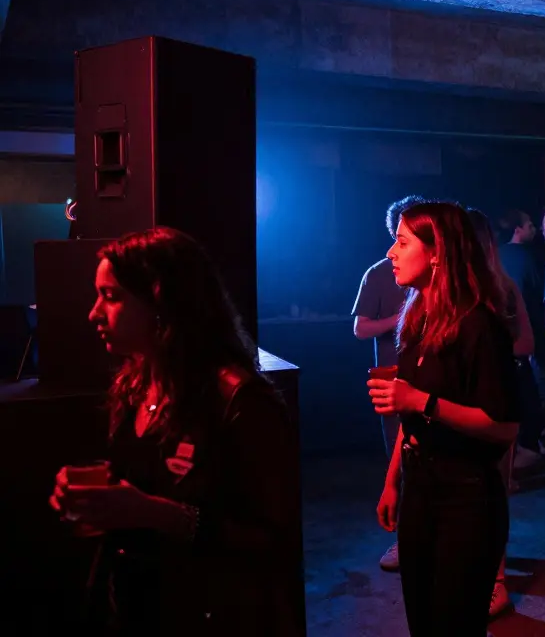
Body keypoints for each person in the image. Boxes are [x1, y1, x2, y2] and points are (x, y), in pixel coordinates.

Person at [49, 227, 295, 635]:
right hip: (136, 607)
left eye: (111, 296)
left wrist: (157, 514)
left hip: (211, 615)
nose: (94, 312)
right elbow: (147, 480)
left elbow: (271, 536)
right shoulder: (135, 385)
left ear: (162, 304)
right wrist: (94, 496)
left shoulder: (240, 400)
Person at [368, 201, 520, 636]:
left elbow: (504, 426)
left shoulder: (479, 325)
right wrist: (392, 480)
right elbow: (410, 419)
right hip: (421, 486)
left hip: (467, 496)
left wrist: (421, 400)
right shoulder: (416, 317)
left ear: (438, 253)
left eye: (401, 242)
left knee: (454, 625)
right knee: (422, 619)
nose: (391, 253)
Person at [468, 208, 536, 618]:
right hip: (460, 405)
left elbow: (527, 343)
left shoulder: (502, 288)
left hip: (495, 403)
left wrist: (482, 356)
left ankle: (496, 580)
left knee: (493, 491)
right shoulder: (443, 291)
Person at [353, 194, 425, 571]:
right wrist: (399, 321)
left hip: (424, 383)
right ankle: (403, 540)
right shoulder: (378, 273)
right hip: (392, 383)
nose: (395, 249)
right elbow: (360, 328)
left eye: (405, 239)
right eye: (398, 237)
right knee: (399, 463)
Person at [494, 208, 545, 467]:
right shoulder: (528, 257)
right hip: (526, 334)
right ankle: (527, 448)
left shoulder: (497, 256)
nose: (534, 230)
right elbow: (537, 296)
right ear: (518, 230)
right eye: (529, 226)